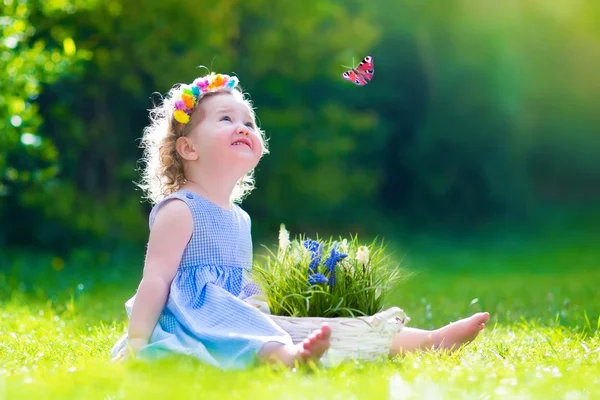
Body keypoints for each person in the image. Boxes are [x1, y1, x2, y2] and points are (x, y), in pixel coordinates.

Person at [111, 72, 490, 369]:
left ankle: (426, 341)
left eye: (249, 121)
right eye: (226, 119)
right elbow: (155, 279)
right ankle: (289, 359)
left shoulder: (238, 217)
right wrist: (139, 342)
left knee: (322, 320)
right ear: (188, 147)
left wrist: (272, 302)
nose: (243, 126)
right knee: (256, 334)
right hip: (199, 319)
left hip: (242, 309)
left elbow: (238, 281)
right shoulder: (181, 209)